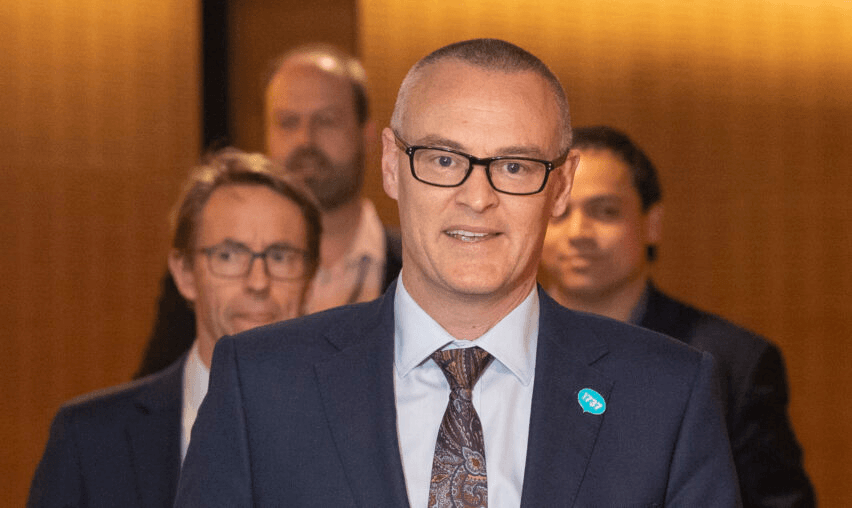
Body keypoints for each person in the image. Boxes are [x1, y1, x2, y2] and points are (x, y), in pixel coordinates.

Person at [175, 39, 741, 507]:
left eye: (515, 166)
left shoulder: (665, 395)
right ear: (392, 166)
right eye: (444, 160)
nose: (477, 197)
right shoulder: (263, 384)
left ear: (562, 185)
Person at [540, 125, 816, 507]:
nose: (578, 232)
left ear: (651, 223)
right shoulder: (493, 345)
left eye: (605, 212)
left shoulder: (732, 363)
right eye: (558, 211)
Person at [27, 149, 321, 508]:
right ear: (184, 273)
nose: (258, 281)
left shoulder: (361, 432)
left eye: (280, 256)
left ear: (309, 277)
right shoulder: (88, 440)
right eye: (229, 255)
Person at [134, 44, 402, 378]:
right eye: (288, 122)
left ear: (367, 134)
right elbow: (159, 407)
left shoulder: (421, 268)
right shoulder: (211, 265)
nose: (306, 140)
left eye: (327, 121)